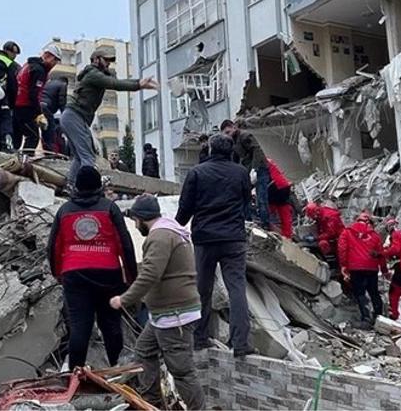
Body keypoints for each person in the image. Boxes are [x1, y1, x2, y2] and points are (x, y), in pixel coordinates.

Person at [109, 194, 204, 410]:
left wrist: (124, 298)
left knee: (181, 370)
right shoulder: (168, 231)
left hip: (175, 315)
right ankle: (151, 403)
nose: (135, 225)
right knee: (144, 351)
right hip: (164, 314)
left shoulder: (160, 236)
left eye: (135, 220)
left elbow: (151, 273)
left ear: (141, 218)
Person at [47, 166, 138, 368]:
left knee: (80, 328)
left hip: (75, 274)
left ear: (76, 186)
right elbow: (125, 243)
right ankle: (118, 371)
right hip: (108, 273)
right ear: (99, 186)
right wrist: (131, 276)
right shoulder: (109, 208)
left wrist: (58, 274)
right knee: (111, 326)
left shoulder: (65, 210)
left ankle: (75, 376)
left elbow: (53, 246)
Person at [175, 134, 254, 357]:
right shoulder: (240, 173)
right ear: (230, 151)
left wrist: (175, 226)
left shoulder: (196, 173)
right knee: (237, 288)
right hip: (233, 239)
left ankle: (199, 338)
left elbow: (184, 210)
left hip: (204, 239)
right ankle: (240, 343)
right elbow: (247, 205)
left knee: (202, 289)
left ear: (210, 150)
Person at [61, 49, 157, 188]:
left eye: (110, 61)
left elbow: (113, 81)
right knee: (88, 157)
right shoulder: (93, 74)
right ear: (95, 59)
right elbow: (114, 84)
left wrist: (138, 83)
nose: (108, 64)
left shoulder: (96, 74)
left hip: (75, 118)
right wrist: (139, 84)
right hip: (74, 117)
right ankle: (86, 189)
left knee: (80, 156)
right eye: (106, 60)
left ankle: (70, 186)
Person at [338, 211, 388, 326]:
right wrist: (384, 270)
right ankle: (379, 317)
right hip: (372, 268)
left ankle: (366, 318)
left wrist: (344, 266)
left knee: (360, 293)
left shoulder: (347, 232)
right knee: (374, 292)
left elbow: (342, 249)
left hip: (356, 268)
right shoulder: (375, 235)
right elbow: (380, 254)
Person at [221, 119, 271, 230]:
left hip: (260, 168)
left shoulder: (245, 135)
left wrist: (255, 168)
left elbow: (256, 150)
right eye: (225, 134)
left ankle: (265, 224)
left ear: (234, 127)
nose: (227, 135)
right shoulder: (233, 141)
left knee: (261, 197)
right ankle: (247, 220)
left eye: (228, 132)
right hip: (248, 169)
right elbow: (235, 158)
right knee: (244, 195)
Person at [12, 45, 61, 153]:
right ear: (47, 56)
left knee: (17, 137)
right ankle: (25, 162)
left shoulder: (28, 65)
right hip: (25, 107)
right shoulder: (39, 70)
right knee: (33, 136)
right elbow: (34, 94)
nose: (55, 64)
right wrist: (39, 113)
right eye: (55, 60)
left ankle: (12, 160)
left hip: (16, 105)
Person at [266, 158, 293, 238]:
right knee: (284, 211)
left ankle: (270, 227)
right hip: (283, 185)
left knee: (269, 210)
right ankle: (287, 235)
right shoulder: (268, 161)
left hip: (274, 186)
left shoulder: (258, 161)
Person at [41, 76, 69, 153]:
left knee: (43, 129)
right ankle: (49, 151)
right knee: (50, 128)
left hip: (39, 106)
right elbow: (62, 101)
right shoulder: (63, 85)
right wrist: (65, 114)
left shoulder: (49, 83)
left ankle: (45, 149)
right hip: (47, 107)